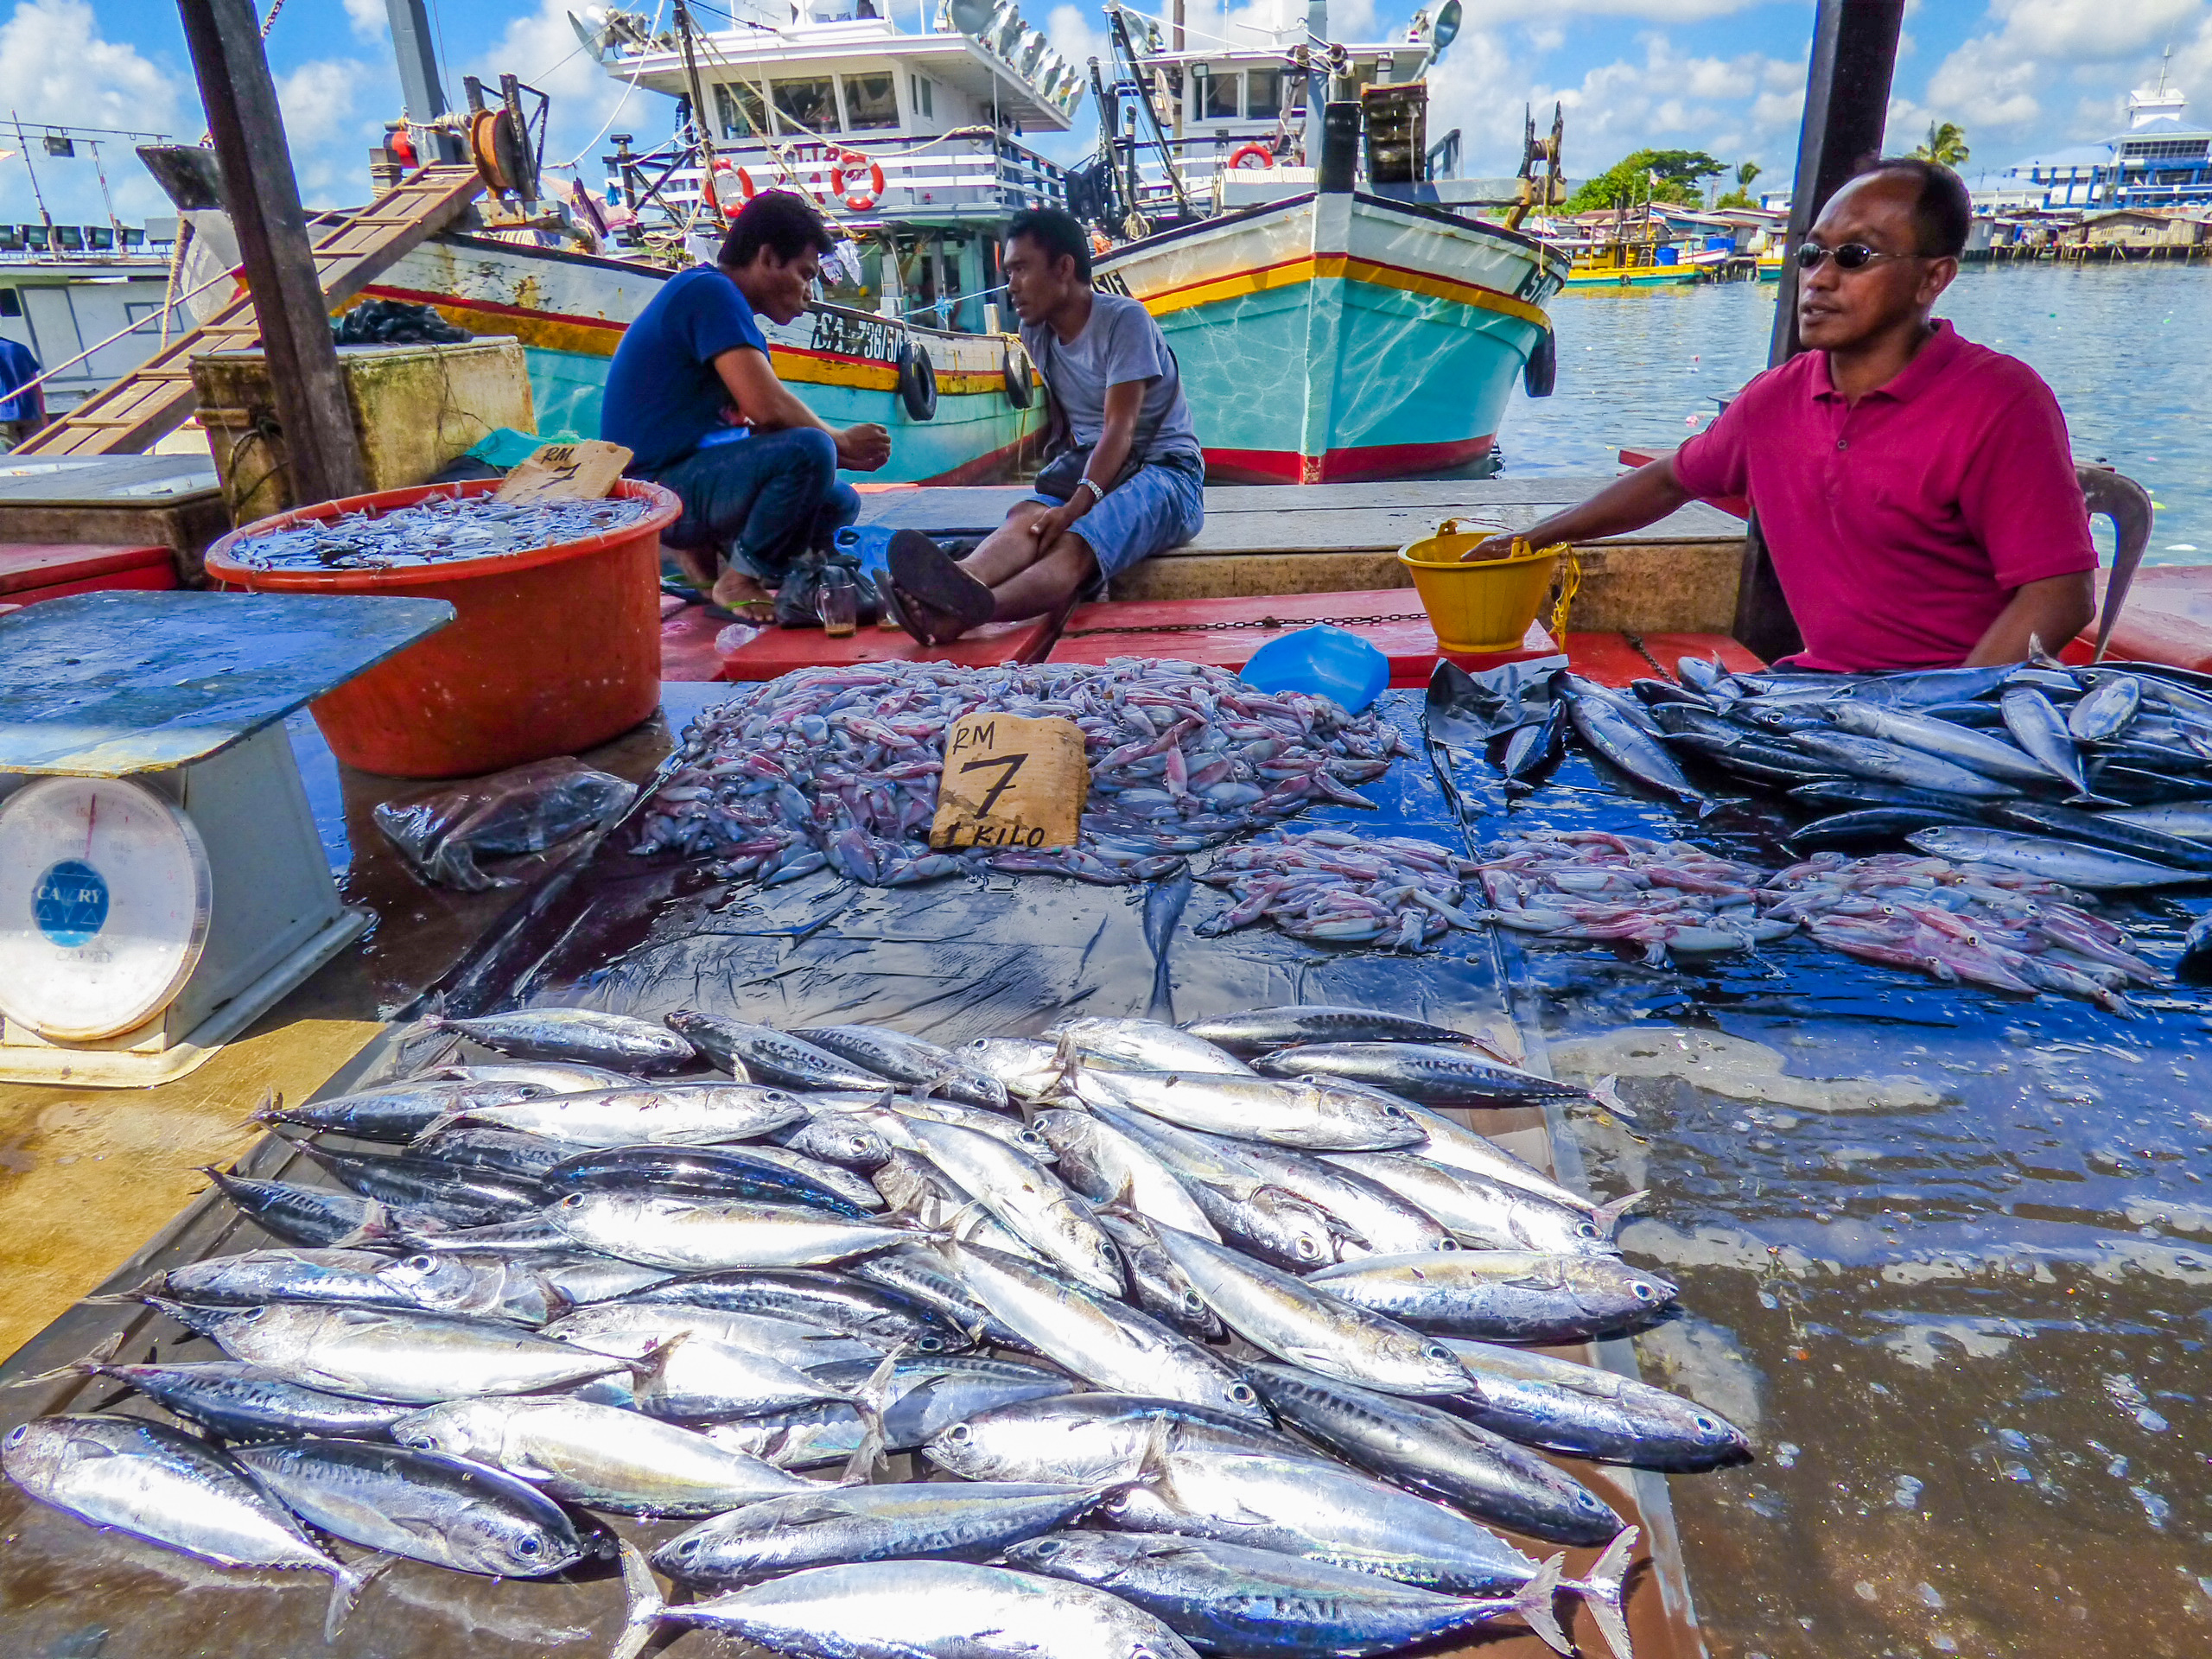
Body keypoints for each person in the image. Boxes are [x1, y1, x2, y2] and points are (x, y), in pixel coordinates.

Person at [1468, 158, 2096, 672]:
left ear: (1934, 278)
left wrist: (1948, 725)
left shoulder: (2000, 402)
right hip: (1821, 695)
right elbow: (1668, 481)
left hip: (1969, 711)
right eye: (1811, 256)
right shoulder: (1775, 400)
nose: (1820, 280)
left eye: (1854, 258)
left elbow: (2060, 596)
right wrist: (1528, 539)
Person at [882, 207, 1205, 644]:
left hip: (1167, 473)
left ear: (1064, 268)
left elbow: (1119, 430)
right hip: (1095, 467)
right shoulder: (1036, 332)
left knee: (1075, 540)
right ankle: (959, 580)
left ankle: (970, 614)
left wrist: (1074, 506)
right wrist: (1056, 494)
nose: (1010, 286)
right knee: (1027, 521)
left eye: (1020, 269)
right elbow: (1069, 424)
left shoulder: (1124, 321)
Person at [601, 190, 890, 613]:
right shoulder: (709, 293)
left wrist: (839, 453)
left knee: (839, 500)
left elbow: (734, 432)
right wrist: (840, 442)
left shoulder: (716, 300)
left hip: (675, 486)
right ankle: (740, 580)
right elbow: (767, 407)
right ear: (769, 257)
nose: (809, 292)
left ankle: (777, 578)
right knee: (811, 450)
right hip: (656, 494)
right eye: (805, 274)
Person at [0, 333, 44, 449]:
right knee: (37, 455)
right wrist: (43, 413)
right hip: (31, 414)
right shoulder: (20, 349)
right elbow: (36, 384)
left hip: (3, 419)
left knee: (13, 461)